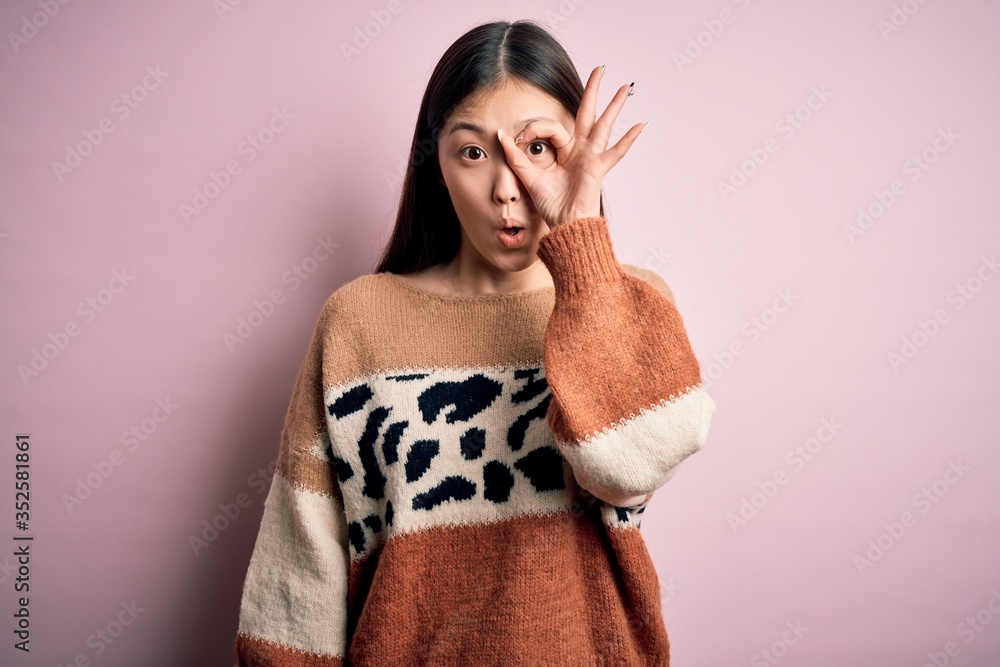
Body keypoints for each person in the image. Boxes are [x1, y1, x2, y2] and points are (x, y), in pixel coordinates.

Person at [234, 18, 717, 667]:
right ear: (435, 163)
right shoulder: (358, 322)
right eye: (473, 152)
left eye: (538, 147)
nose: (507, 186)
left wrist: (580, 240)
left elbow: (629, 465)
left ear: (577, 155)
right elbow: (298, 587)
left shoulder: (629, 302)